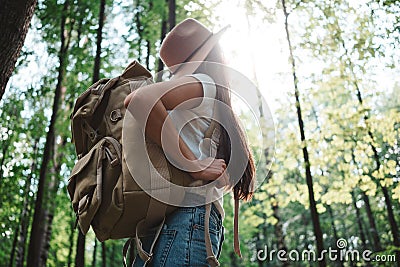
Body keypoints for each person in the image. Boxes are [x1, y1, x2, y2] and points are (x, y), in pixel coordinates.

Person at [124, 18, 255, 267]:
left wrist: (191, 163)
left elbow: (140, 99)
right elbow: (139, 100)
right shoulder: (206, 86)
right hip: (186, 219)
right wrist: (194, 164)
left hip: (170, 221)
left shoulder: (201, 85)